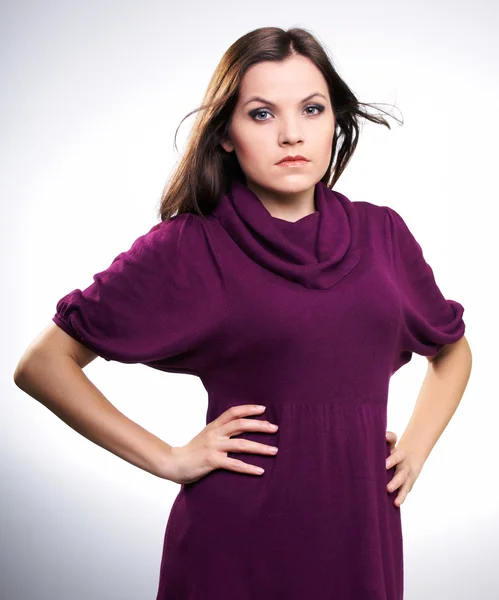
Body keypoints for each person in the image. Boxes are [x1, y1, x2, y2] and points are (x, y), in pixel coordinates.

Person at [13, 26, 472, 600]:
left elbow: (452, 347)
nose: (290, 134)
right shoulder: (190, 246)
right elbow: (42, 364)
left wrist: (417, 448)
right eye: (261, 114)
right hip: (235, 545)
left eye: (311, 109)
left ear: (336, 121)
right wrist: (168, 458)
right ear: (226, 134)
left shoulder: (383, 234)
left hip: (361, 538)